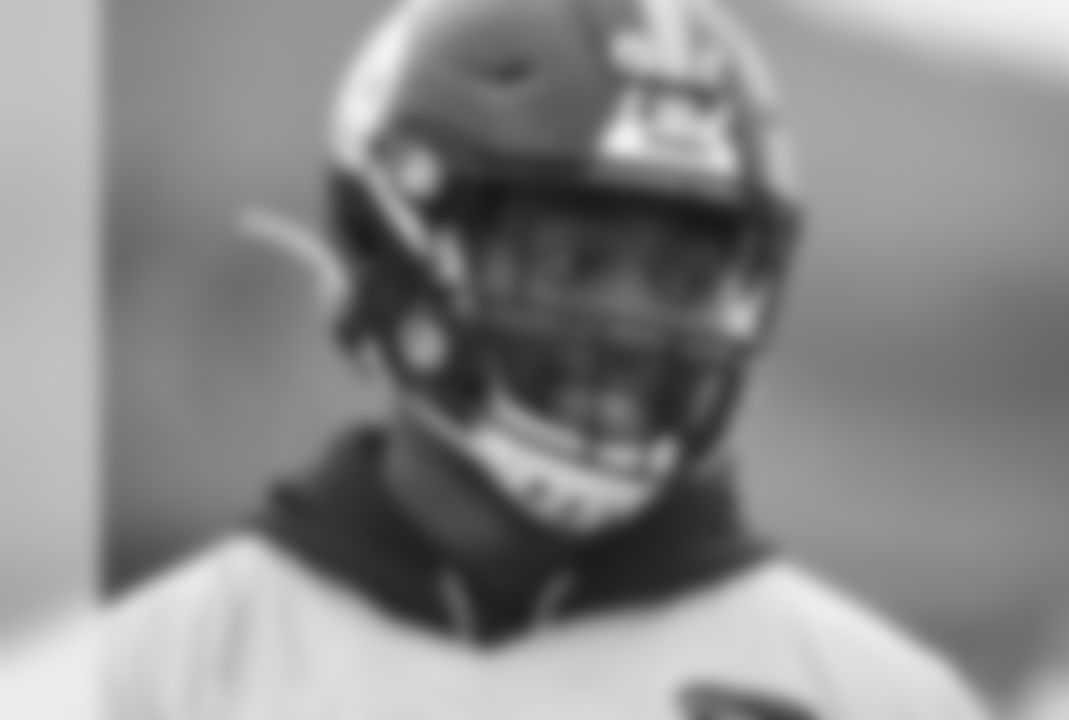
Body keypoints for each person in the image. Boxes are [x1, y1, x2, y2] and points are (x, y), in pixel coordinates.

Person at [107, 0, 993, 717]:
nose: (632, 331)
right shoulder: (155, 678)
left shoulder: (879, 700)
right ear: (402, 251)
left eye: (685, 281)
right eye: (574, 264)